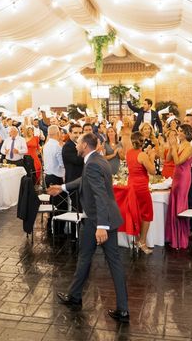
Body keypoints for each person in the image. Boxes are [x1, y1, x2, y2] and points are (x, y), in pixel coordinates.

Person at [47, 133, 129, 323]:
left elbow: (100, 195)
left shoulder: (91, 163)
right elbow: (85, 181)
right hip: (106, 218)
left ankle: (78, 297)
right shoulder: (98, 159)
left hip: (97, 220)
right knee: (104, 260)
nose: (76, 146)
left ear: (84, 145)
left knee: (91, 258)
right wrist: (63, 187)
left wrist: (101, 226)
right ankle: (117, 307)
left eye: (78, 143)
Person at [126, 132, 157, 253]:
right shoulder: (142, 155)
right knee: (147, 214)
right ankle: (142, 242)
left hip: (131, 185)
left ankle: (137, 238)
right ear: (142, 142)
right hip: (141, 187)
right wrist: (152, 156)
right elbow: (153, 171)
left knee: (135, 212)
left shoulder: (129, 153)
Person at [165, 125, 192, 249]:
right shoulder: (178, 145)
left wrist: (173, 147)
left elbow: (178, 162)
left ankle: (180, 237)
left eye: (181, 131)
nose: (178, 133)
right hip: (176, 176)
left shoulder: (189, 147)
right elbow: (168, 159)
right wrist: (172, 146)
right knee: (174, 203)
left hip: (183, 177)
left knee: (180, 204)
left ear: (186, 133)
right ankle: (172, 235)